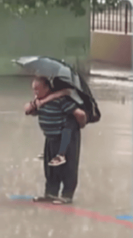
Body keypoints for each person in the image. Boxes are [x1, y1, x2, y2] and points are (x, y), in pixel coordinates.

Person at [24, 76, 87, 204]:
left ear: (47, 88)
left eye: (37, 89)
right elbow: (27, 110)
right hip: (50, 137)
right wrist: (36, 103)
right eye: (33, 89)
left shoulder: (61, 100)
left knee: (68, 166)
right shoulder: (39, 101)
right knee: (50, 168)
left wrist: (81, 124)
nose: (35, 92)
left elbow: (80, 114)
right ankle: (50, 193)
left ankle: (67, 195)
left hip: (65, 137)